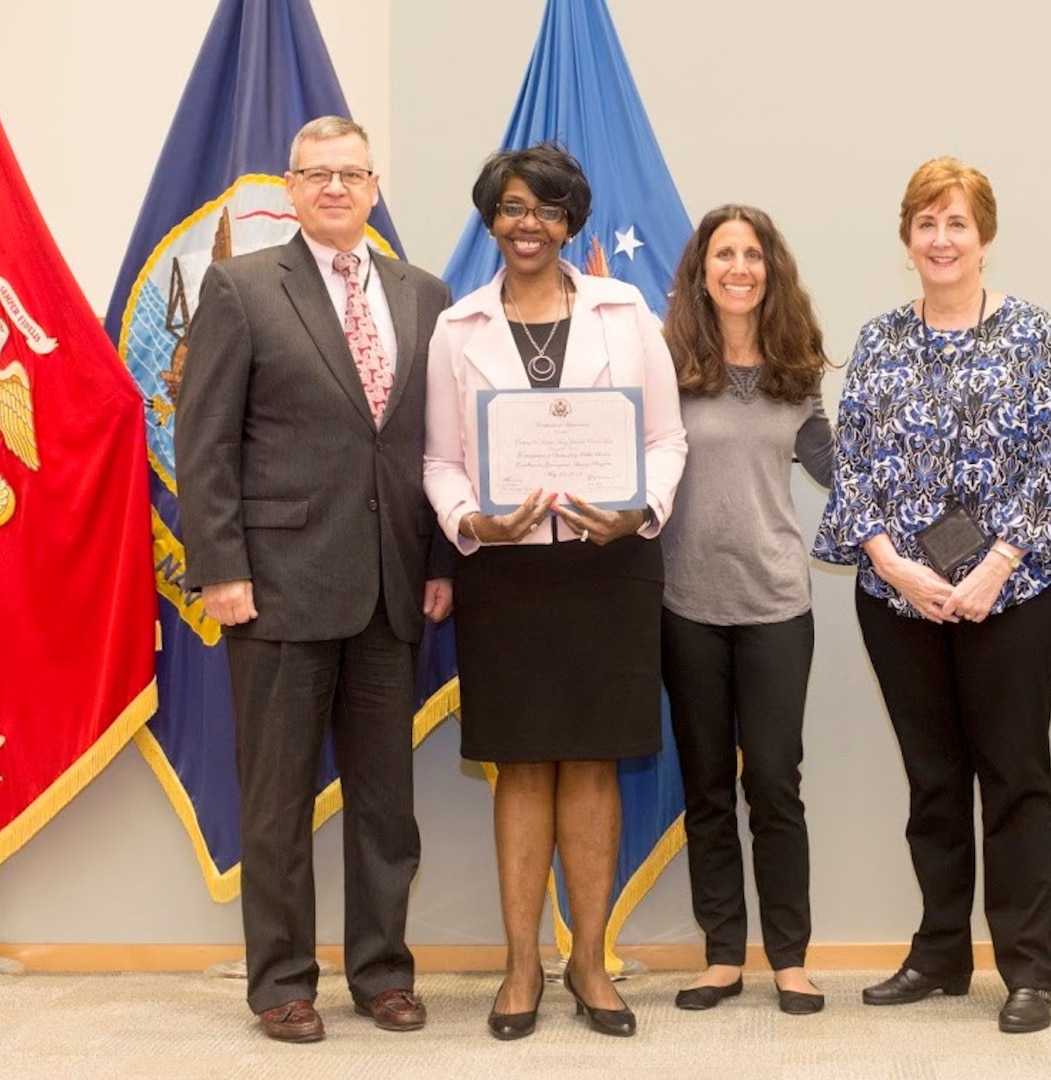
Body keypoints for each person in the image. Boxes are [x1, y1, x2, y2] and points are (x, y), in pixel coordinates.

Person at [175, 116, 454, 1043]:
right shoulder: (243, 287)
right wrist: (220, 568)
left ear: (375, 188)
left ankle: (382, 974)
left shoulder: (425, 294)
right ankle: (282, 984)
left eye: (352, 174)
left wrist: (443, 562)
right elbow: (204, 440)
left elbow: (439, 447)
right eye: (316, 175)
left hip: (393, 585)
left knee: (387, 803)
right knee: (278, 800)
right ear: (289, 190)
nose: (335, 189)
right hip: (277, 585)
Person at [813, 158, 1051, 1034]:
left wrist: (995, 565)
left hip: (1012, 594)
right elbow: (848, 463)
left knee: (1013, 778)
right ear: (906, 241)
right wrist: (895, 567)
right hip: (898, 598)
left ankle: (1027, 970)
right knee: (932, 782)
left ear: (984, 236)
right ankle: (939, 954)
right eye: (926, 224)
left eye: (957, 223)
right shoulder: (877, 340)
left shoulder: (1032, 334)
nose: (941, 239)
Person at [422, 142, 686, 1041]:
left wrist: (640, 509)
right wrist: (471, 524)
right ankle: (522, 965)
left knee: (594, 760)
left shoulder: (624, 311)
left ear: (570, 221)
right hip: (506, 571)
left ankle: (589, 961)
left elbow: (665, 441)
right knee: (523, 760)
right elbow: (439, 461)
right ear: (489, 219)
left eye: (545, 209)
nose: (526, 224)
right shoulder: (457, 327)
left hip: (609, 563)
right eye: (509, 207)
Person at [659, 206, 834, 1016]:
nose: (738, 266)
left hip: (773, 605)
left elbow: (844, 473)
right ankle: (722, 954)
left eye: (752, 253)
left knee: (772, 782)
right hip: (684, 604)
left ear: (771, 269)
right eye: (722, 253)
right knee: (704, 787)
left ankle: (789, 959)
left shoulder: (797, 371)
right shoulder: (666, 367)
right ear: (701, 271)